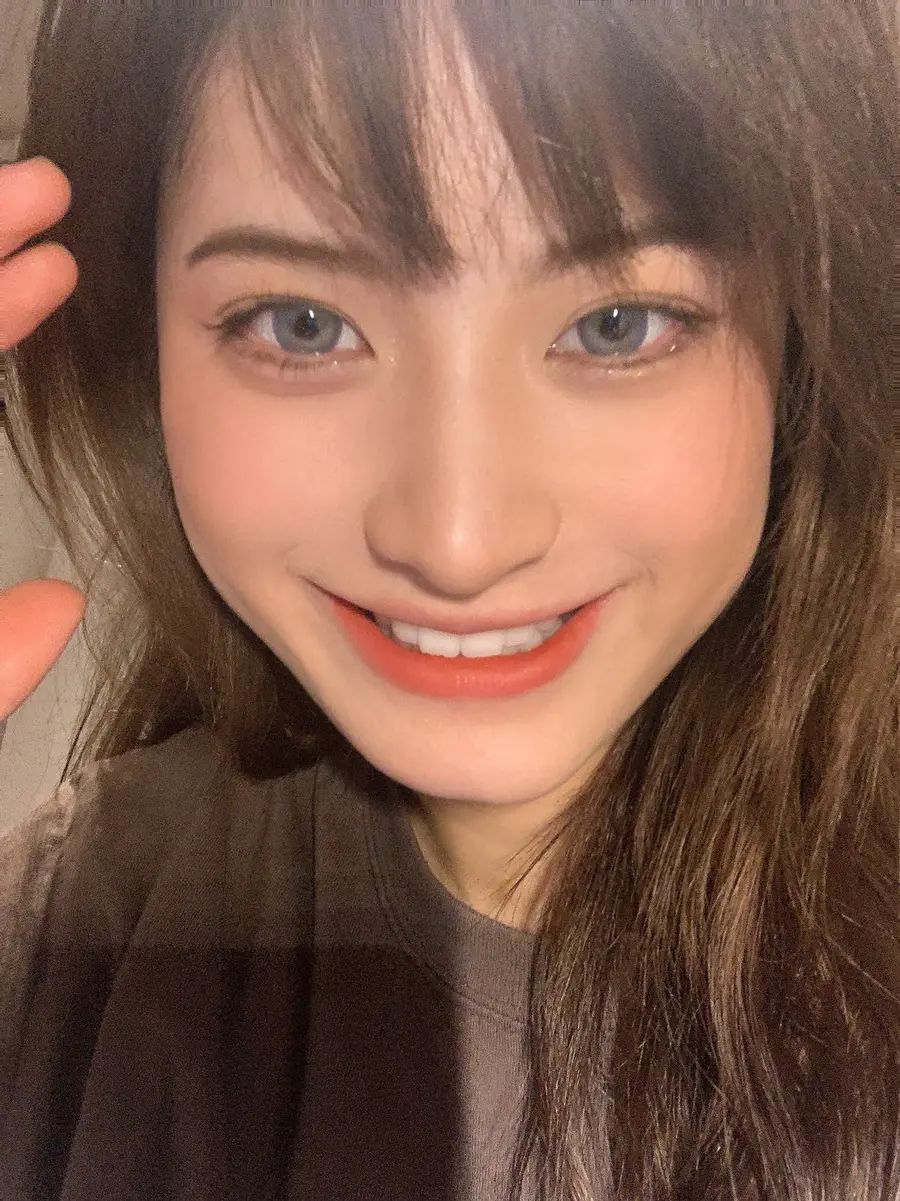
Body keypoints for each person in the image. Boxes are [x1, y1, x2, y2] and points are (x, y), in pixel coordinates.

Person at [0, 3, 896, 1199]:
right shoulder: (75, 931)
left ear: (806, 339)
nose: (459, 543)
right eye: (303, 325)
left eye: (617, 325)